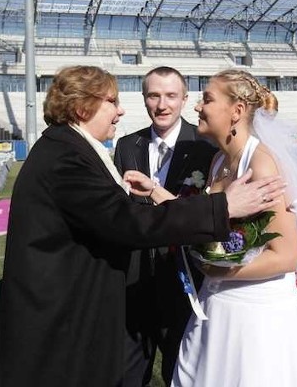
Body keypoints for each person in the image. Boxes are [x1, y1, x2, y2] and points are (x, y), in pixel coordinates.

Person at [0, 65, 285, 387]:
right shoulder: (67, 157)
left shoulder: (67, 149)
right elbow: (127, 221)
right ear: (82, 107)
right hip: (68, 315)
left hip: (174, 297)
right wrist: (222, 206)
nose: (121, 111)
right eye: (112, 101)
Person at [124, 69, 297, 387]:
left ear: (237, 111)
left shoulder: (263, 164)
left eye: (207, 99)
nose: (198, 107)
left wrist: (216, 269)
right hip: (214, 305)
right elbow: (208, 215)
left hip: (256, 316)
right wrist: (155, 191)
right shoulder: (218, 161)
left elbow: (285, 257)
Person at [114, 67, 217, 387]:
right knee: (128, 375)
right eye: (153, 95)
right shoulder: (127, 145)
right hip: (134, 285)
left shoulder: (206, 148)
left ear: (185, 99)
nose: (162, 104)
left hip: (185, 284)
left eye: (171, 95)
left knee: (182, 374)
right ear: (144, 98)